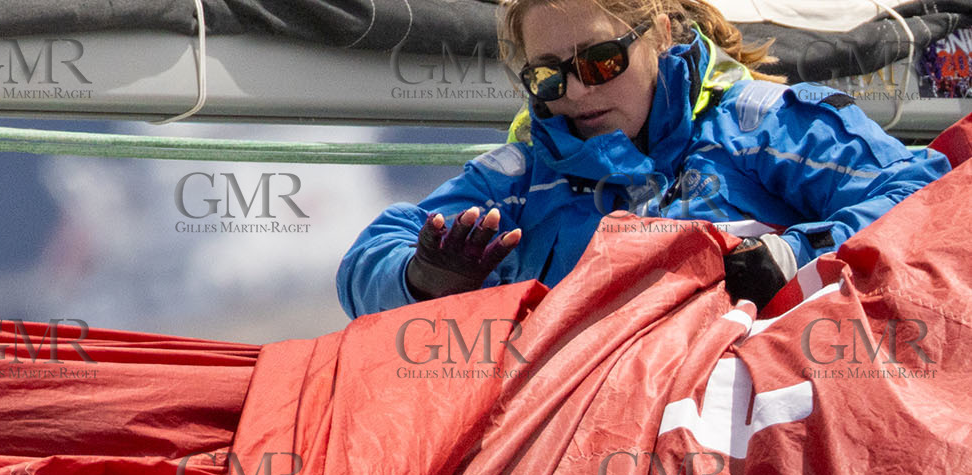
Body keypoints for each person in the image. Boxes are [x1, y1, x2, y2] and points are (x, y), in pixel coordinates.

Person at [336, 0, 949, 318]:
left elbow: (926, 200)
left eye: (601, 61)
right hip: (587, 447)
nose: (578, 93)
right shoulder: (524, 177)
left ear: (660, 33)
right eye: (548, 77)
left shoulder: (760, 127)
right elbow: (367, 260)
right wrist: (422, 279)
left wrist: (795, 256)